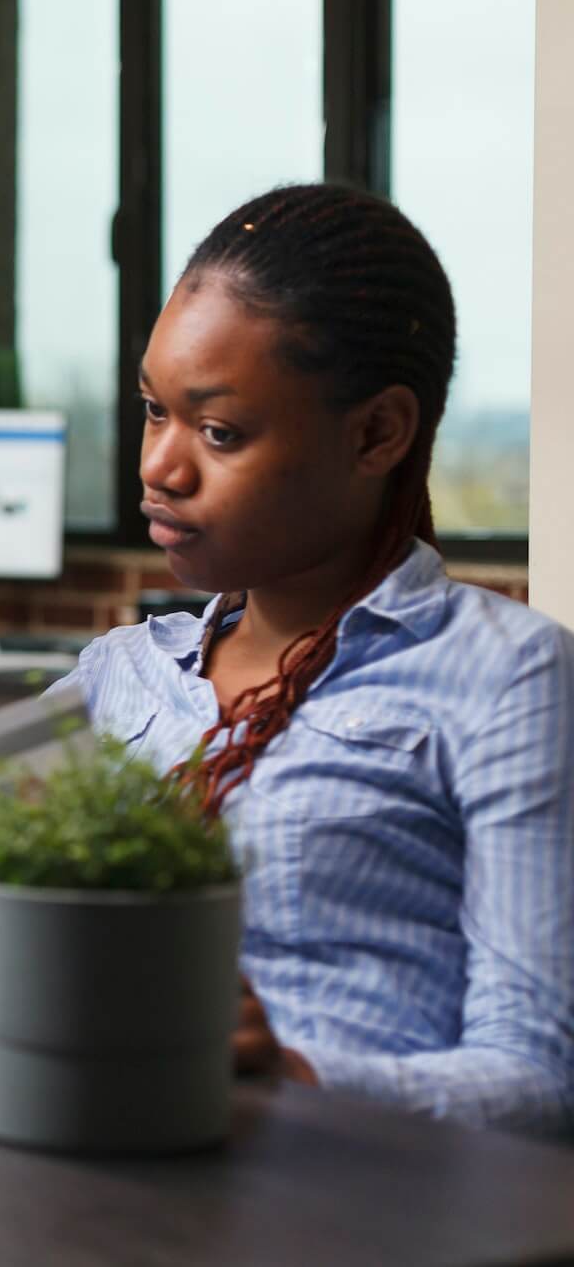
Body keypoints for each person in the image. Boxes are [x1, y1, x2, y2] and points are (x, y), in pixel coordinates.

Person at [52, 183, 574, 1136]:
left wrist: (292, 1072)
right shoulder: (116, 673)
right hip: (100, 1148)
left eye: (218, 431)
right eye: (152, 411)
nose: (159, 467)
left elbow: (540, 1076)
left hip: (347, 1192)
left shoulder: (507, 676)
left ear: (377, 433)